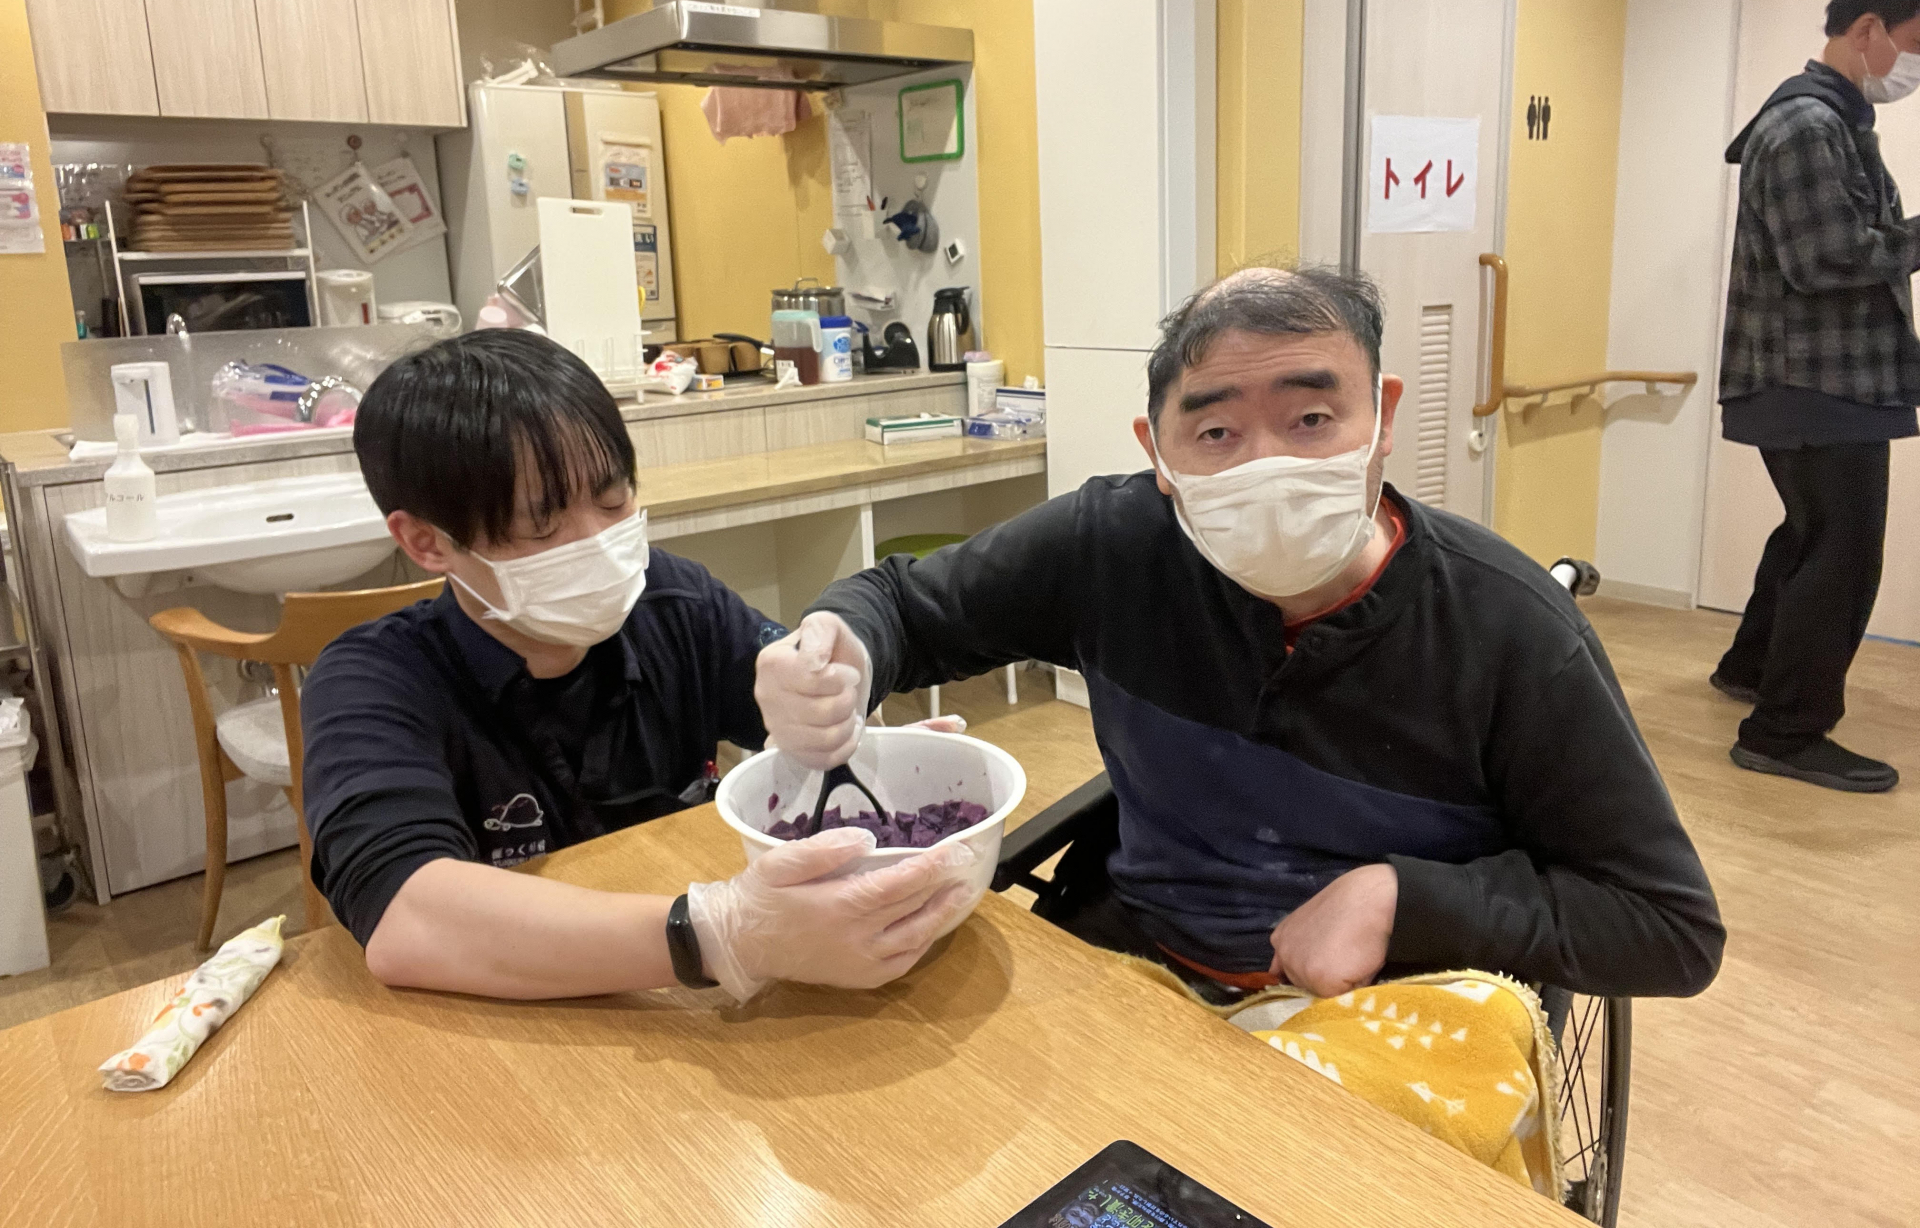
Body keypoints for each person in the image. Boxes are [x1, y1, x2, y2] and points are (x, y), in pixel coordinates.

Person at [756, 268, 1724, 1000]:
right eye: (1216, 434)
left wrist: (1405, 900)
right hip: (1143, 968)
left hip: (1395, 1000)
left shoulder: (1508, 626)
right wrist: (836, 651)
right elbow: (905, 605)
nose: (1267, 467)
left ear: (1383, 417)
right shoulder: (1112, 545)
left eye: (1311, 418)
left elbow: (1667, 926)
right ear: (1158, 452)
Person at [300, 330, 976, 1003]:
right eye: (543, 524)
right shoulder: (372, 682)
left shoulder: (674, 604)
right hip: (506, 1025)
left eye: (613, 498)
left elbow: (784, 708)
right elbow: (408, 914)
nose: (598, 542)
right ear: (426, 541)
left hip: (689, 1007)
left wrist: (836, 721)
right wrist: (720, 933)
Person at [1712, 0, 1920, 794]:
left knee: (1812, 536)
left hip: (1818, 380)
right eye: (1916, 44)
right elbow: (1827, 256)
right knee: (1843, 553)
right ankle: (1785, 733)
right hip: (1815, 382)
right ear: (1868, 29)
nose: (1914, 68)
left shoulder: (1831, 119)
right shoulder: (1806, 125)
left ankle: (1754, 669)